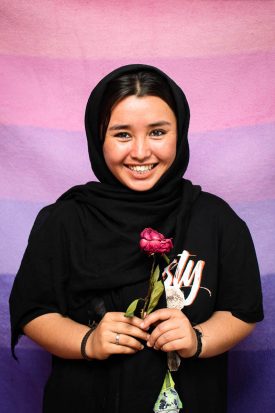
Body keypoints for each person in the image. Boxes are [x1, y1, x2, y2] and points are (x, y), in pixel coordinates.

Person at [9, 63, 264, 413]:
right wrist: (87, 341)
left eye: (158, 132)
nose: (141, 152)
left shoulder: (216, 219)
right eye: (122, 134)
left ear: (180, 133)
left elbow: (242, 310)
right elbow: (35, 311)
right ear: (99, 138)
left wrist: (198, 338)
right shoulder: (65, 219)